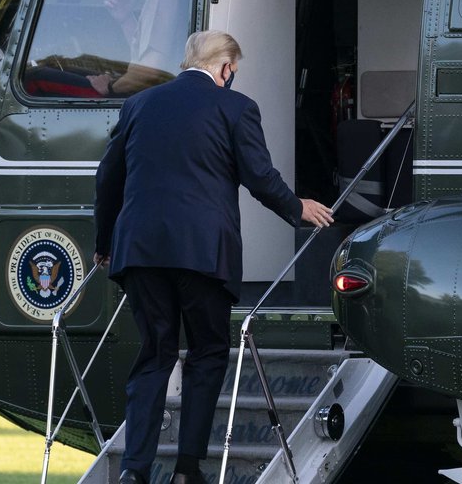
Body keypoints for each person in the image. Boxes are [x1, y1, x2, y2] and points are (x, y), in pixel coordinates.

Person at [94, 30, 334, 484]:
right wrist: (296, 206)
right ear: (225, 68)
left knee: (154, 354)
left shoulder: (139, 105)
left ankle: (133, 471)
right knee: (206, 352)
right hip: (204, 252)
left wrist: (105, 242)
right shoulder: (235, 107)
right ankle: (188, 470)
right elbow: (259, 176)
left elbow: (109, 178)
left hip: (141, 251)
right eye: (233, 72)